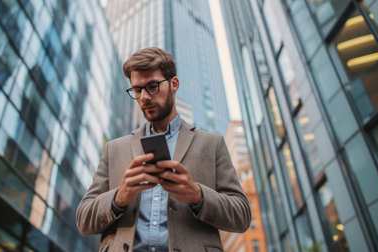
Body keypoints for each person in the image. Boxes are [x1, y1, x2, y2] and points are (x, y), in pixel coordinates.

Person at [76, 47, 251, 251]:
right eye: (137, 89)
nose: (144, 97)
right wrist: (119, 197)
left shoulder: (212, 144)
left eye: (152, 86)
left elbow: (242, 215)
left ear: (174, 84)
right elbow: (83, 219)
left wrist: (197, 195)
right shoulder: (114, 149)